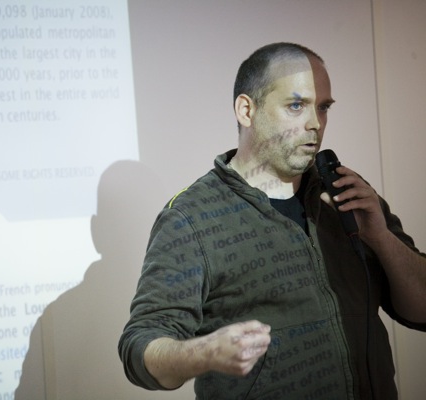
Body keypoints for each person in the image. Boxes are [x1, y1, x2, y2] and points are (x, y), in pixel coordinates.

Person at [118, 42, 426, 399]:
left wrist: (381, 238)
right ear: (246, 110)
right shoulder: (191, 218)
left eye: (322, 107)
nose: (315, 124)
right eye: (296, 106)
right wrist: (203, 352)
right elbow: (140, 347)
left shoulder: (346, 194)